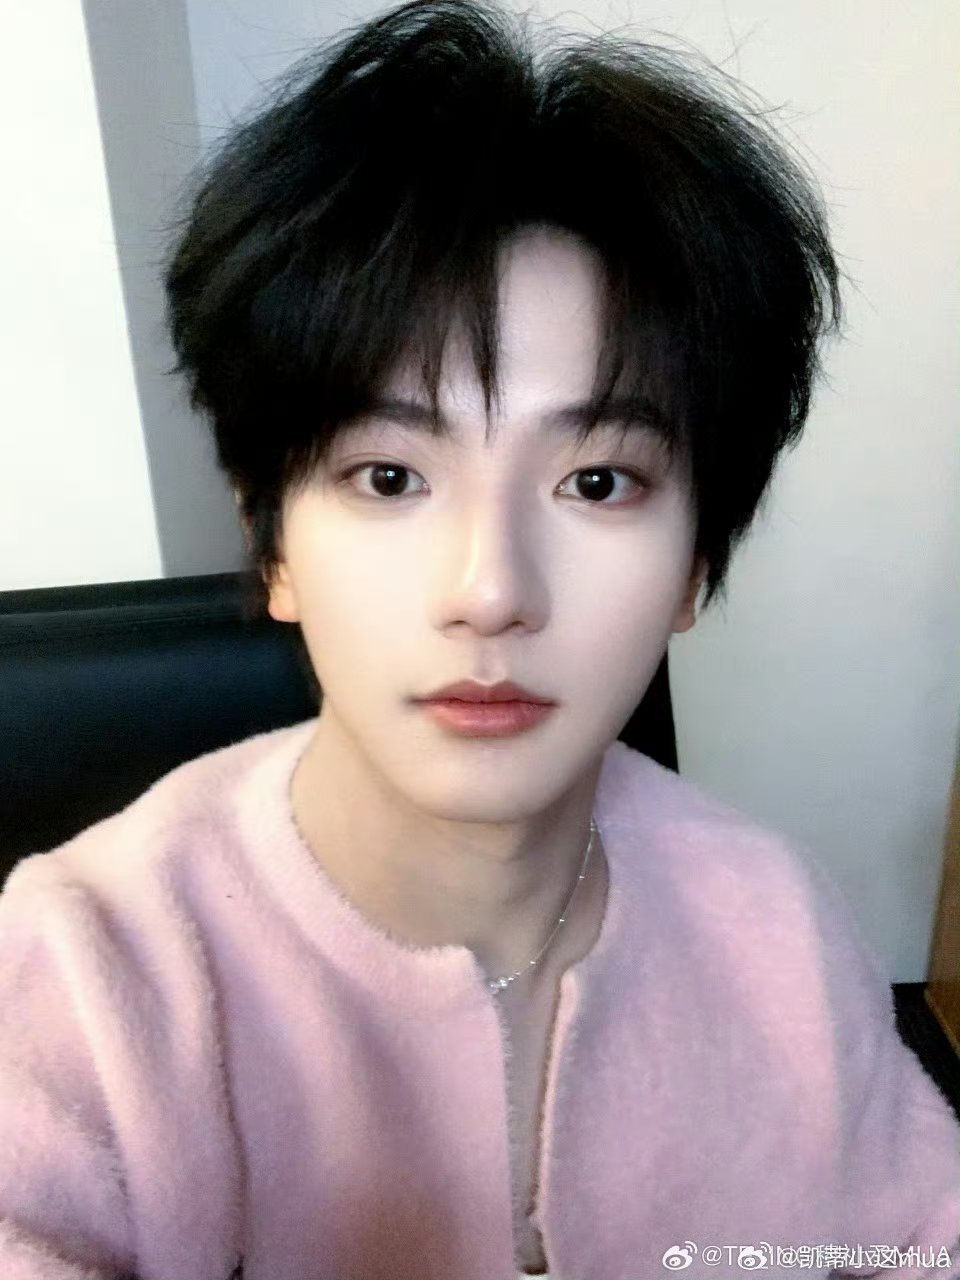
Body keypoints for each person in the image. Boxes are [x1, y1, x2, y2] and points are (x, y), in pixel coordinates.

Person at [2, 1, 959, 1277]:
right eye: (390, 475)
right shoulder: (87, 975)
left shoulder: (778, 925)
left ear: (697, 564)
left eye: (599, 482)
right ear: (273, 542)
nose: (491, 590)